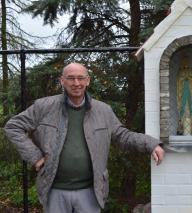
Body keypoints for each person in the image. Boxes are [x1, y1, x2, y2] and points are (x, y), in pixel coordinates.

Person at [4, 63, 164, 213]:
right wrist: (35, 156)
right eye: (71, 78)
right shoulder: (44, 107)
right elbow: (13, 126)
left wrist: (150, 144)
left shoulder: (103, 111)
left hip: (90, 191)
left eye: (80, 78)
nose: (76, 83)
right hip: (54, 190)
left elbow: (123, 136)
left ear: (87, 81)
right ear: (62, 81)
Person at [176, 56, 192, 135]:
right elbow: (178, 82)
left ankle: (191, 126)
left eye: (186, 61)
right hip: (182, 93)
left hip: (190, 93)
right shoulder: (179, 72)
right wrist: (183, 79)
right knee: (182, 108)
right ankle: (181, 126)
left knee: (191, 108)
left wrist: (188, 79)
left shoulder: (191, 71)